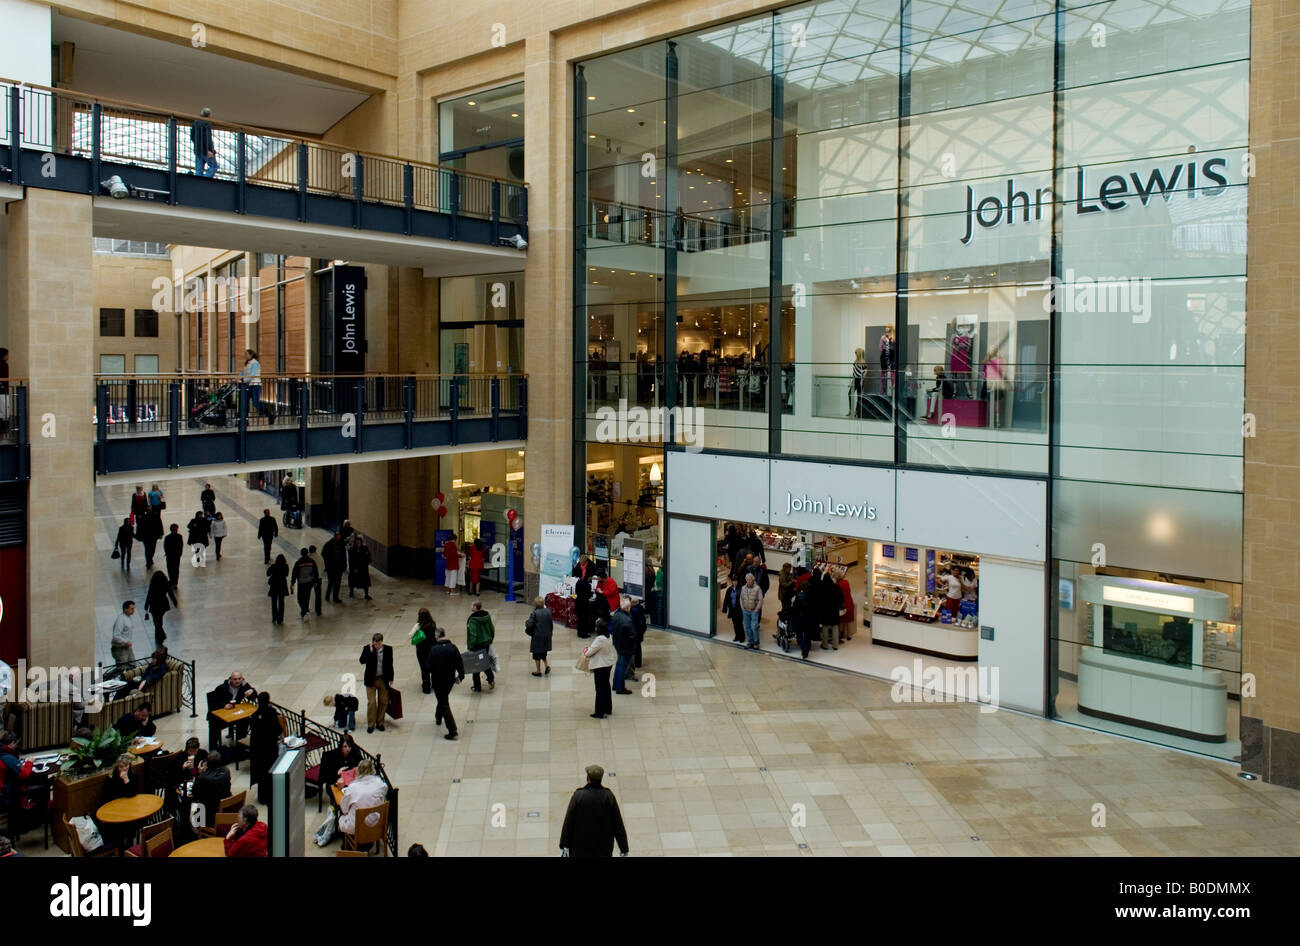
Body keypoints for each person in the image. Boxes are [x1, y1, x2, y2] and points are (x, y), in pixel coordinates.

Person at [558, 764, 628, 857]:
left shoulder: (578, 796)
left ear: (588, 778)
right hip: (603, 849)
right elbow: (618, 824)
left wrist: (564, 844)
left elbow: (569, 822)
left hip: (580, 849)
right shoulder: (608, 797)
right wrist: (624, 848)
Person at [338, 759, 387, 845]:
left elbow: (344, 809)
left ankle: (347, 845)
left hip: (357, 827)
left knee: (341, 816)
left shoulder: (353, 787)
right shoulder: (380, 783)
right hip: (376, 824)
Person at [426, 628, 464, 740]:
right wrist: (460, 676)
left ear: (437, 637)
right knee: (443, 699)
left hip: (438, 681)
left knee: (443, 703)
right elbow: (460, 663)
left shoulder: (434, 650)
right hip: (449, 681)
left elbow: (427, 666)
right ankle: (438, 717)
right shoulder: (452, 648)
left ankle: (452, 730)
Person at [205, 672, 257, 749]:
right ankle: (213, 749)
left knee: (245, 720)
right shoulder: (222, 688)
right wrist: (224, 705)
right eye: (235, 679)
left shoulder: (244, 684)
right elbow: (213, 702)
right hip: (220, 716)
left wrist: (252, 691)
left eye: (239, 679)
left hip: (233, 713)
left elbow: (253, 695)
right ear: (230, 679)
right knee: (214, 724)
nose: (237, 681)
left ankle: (240, 745)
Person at [247, 692, 282, 805]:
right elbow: (277, 728)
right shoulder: (271, 712)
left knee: (262, 773)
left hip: (258, 750)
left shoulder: (255, 715)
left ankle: (262, 797)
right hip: (270, 748)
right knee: (270, 772)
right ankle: (271, 796)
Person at [359, 633, 394, 734]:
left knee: (383, 701)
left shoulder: (388, 649)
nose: (377, 646)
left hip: (383, 678)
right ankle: (371, 724)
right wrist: (370, 651)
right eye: (375, 644)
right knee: (372, 703)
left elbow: (390, 664)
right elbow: (362, 661)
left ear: (381, 642)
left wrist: (391, 678)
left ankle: (380, 722)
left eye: (379, 644)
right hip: (371, 680)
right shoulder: (367, 649)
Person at [583, 619, 616, 720]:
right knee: (606, 686)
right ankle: (608, 708)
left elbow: (588, 653)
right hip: (608, 663)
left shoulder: (600, 639)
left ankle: (599, 712)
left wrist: (586, 650)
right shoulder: (609, 636)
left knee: (600, 689)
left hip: (600, 666)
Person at [318, 733, 363, 801]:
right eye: (345, 746)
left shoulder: (355, 753)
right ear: (341, 746)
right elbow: (325, 776)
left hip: (352, 783)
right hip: (335, 783)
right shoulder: (332, 756)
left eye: (349, 746)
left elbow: (361, 767)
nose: (348, 749)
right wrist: (337, 772)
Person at [192, 752, 231, 827]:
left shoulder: (202, 778)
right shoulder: (226, 771)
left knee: (195, 806)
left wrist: (199, 774)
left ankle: (196, 828)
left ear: (207, 764)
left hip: (209, 815)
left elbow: (195, 793)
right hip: (225, 808)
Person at [466, 600, 496, 692]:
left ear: (475, 607)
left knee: (476, 665)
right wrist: (490, 639)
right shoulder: (487, 615)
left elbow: (473, 634)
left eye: (472, 605)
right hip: (486, 643)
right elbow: (492, 629)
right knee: (483, 661)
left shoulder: (472, 620)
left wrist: (471, 646)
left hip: (477, 645)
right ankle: (490, 679)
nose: (471, 607)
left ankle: (478, 686)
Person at [611, 596, 637, 694]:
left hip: (618, 644)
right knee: (623, 667)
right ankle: (620, 688)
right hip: (626, 647)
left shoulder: (616, 615)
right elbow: (633, 636)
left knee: (619, 664)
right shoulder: (628, 620)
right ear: (627, 608)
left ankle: (615, 684)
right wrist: (633, 647)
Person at [144, 570, 177, 647]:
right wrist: (175, 601)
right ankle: (159, 636)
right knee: (159, 620)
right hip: (163, 605)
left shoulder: (153, 584)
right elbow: (170, 593)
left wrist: (146, 604)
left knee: (156, 621)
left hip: (154, 604)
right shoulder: (166, 583)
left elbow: (149, 594)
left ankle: (161, 635)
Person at [525, 597, 553, 676]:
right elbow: (551, 624)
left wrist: (526, 622)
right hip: (546, 635)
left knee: (536, 654)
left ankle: (538, 671)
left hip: (538, 636)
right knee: (543, 652)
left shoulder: (535, 613)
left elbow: (529, 624)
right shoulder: (548, 611)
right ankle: (547, 666)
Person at [290, 547, 321, 619]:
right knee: (307, 596)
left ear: (301, 553)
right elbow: (315, 572)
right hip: (309, 582)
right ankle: (305, 609)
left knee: (300, 598)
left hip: (301, 583)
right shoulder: (312, 561)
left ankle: (304, 610)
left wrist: (292, 582)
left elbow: (294, 573)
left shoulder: (299, 562)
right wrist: (316, 581)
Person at [242, 350, 272, 421]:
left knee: (256, 403)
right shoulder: (247, 363)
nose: (245, 356)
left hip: (255, 385)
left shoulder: (255, 363)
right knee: (244, 402)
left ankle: (270, 415)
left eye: (246, 354)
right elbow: (244, 372)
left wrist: (243, 380)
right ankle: (245, 420)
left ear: (251, 355)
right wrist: (237, 377)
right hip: (249, 385)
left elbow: (252, 375)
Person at [413, 608, 437, 693]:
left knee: (424, 669)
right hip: (431, 648)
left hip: (421, 650)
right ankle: (434, 684)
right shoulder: (433, 624)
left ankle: (426, 687)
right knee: (433, 667)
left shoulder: (419, 626)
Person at [817, 569, 842, 651]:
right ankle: (835, 645)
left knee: (825, 627)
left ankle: (825, 645)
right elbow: (841, 599)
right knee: (835, 627)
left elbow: (819, 600)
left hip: (825, 611)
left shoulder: (821, 588)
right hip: (834, 611)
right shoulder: (836, 587)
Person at [740, 571, 764, 650]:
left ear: (753, 580)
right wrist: (742, 608)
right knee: (747, 627)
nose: (749, 581)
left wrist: (757, 609)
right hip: (745, 611)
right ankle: (750, 642)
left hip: (754, 611)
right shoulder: (743, 588)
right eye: (747, 579)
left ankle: (756, 642)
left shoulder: (758, 588)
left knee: (754, 627)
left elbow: (760, 600)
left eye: (750, 580)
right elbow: (741, 598)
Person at [191, 107, 218, 176]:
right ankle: (205, 178)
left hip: (197, 149)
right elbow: (207, 138)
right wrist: (209, 150)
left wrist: (197, 145)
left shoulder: (195, 123)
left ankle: (198, 181)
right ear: (209, 115)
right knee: (214, 166)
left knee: (199, 169)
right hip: (206, 150)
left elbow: (192, 137)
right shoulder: (207, 123)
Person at [111, 600, 138, 669]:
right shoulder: (120, 620)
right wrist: (125, 642)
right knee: (122, 668)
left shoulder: (128, 618)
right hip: (120, 649)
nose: (133, 610)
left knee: (133, 665)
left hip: (127, 647)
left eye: (134, 608)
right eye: (132, 608)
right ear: (125, 609)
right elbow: (116, 636)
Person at [321, 532, 347, 603]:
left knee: (337, 583)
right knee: (331, 582)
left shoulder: (341, 544)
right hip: (331, 568)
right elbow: (323, 554)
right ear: (335, 537)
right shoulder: (328, 544)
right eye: (339, 537)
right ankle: (327, 596)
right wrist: (327, 565)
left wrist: (344, 565)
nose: (340, 538)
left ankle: (335, 598)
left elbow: (344, 556)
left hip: (339, 567)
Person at [267, 553, 289, 625]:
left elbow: (267, 573)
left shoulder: (274, 566)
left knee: (274, 603)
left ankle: (274, 618)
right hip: (282, 585)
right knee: (281, 603)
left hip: (274, 585)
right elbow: (286, 574)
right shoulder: (286, 566)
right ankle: (280, 619)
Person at [721, 577, 745, 643]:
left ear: (738, 582)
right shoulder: (729, 589)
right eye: (733, 581)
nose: (734, 582)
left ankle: (742, 637)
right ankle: (737, 636)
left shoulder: (741, 589)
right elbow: (726, 599)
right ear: (732, 581)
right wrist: (724, 608)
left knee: (739, 624)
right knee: (735, 624)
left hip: (739, 609)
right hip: (732, 609)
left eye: (736, 581)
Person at [138, 505, 163, 570]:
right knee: (147, 549)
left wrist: (161, 533)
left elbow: (159, 524)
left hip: (153, 535)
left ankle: (150, 558)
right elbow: (139, 526)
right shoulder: (143, 516)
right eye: (148, 509)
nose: (149, 510)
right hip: (145, 536)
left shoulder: (155, 515)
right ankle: (148, 561)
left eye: (150, 509)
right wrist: (139, 535)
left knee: (152, 549)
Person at [348, 536, 373, 600]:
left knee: (365, 582)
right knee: (353, 581)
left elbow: (368, 556)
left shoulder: (365, 548)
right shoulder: (352, 550)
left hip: (363, 568)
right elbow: (351, 560)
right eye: (356, 543)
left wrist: (367, 561)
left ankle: (366, 595)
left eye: (359, 543)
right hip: (355, 569)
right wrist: (353, 568)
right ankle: (351, 592)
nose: (358, 544)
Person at [574, 566, 593, 639]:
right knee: (585, 619)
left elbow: (576, 592)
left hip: (578, 602)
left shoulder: (578, 582)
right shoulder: (588, 585)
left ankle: (579, 633)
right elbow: (589, 595)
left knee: (580, 619)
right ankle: (584, 633)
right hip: (585, 603)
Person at [163, 523, 184, 589]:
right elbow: (165, 546)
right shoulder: (168, 537)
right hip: (171, 555)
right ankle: (173, 581)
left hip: (175, 555)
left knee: (174, 569)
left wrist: (180, 553)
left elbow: (181, 545)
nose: (176, 530)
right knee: (171, 569)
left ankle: (174, 582)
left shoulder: (179, 536)